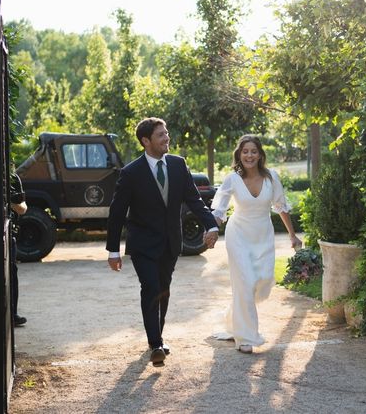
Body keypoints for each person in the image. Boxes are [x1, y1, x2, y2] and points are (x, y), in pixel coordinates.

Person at [106, 117, 219, 367]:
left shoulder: (178, 165)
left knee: (164, 290)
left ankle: (157, 337)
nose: (167, 137)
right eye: (160, 135)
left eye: (166, 133)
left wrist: (211, 224)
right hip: (143, 245)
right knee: (151, 287)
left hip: (170, 242)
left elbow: (194, 199)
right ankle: (156, 344)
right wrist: (113, 251)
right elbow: (116, 213)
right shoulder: (131, 173)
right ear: (146, 141)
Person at [210, 134, 301, 353]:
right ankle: (246, 338)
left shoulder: (272, 178)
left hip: (262, 236)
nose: (249, 155)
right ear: (239, 155)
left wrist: (292, 235)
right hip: (238, 235)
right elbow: (219, 211)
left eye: (253, 151)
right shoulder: (232, 178)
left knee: (263, 280)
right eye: (245, 151)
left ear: (260, 154)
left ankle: (234, 318)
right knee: (246, 281)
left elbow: (281, 206)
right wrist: (212, 229)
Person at [9, 171, 28, 327]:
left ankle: (13, 314)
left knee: (12, 272)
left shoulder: (13, 179)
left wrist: (10, 203)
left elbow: (23, 208)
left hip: (10, 234)